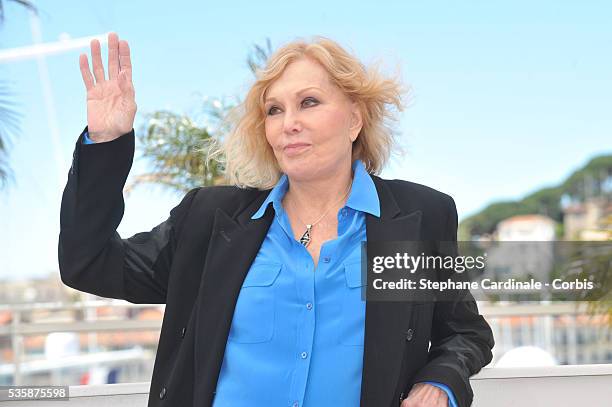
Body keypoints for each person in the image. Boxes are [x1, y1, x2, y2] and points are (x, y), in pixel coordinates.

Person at [59, 32, 494, 407]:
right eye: (274, 110)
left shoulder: (420, 218)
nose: (289, 124)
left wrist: (439, 383)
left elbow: (465, 332)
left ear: (355, 119)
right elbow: (90, 264)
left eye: (309, 102)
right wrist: (106, 142)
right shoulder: (210, 220)